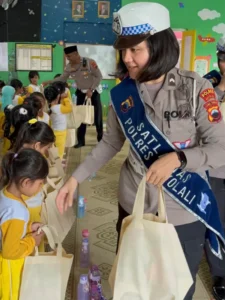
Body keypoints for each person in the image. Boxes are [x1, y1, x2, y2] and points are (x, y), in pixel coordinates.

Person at [56, 3, 225, 299]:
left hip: (182, 211)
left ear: (160, 46)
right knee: (133, 280)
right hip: (132, 201)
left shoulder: (198, 90)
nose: (127, 59)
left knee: (175, 287)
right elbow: (110, 142)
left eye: (136, 50)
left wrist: (180, 158)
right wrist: (74, 178)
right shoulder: (123, 93)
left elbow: (221, 147)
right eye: (123, 50)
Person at [0, 148, 48, 299]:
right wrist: (33, 240)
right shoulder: (17, 211)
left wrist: (28, 227)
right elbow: (10, 251)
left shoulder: (5, 193)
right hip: (10, 266)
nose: (41, 188)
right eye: (40, 183)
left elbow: (7, 227)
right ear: (26, 182)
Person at [42, 45, 103, 148]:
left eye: (69, 56)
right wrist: (48, 82)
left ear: (76, 54)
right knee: (80, 117)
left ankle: (101, 140)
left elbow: (99, 76)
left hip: (93, 92)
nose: (68, 58)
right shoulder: (69, 66)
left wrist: (91, 89)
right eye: (66, 57)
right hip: (81, 92)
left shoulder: (89, 62)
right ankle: (80, 141)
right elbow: (62, 78)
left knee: (97, 118)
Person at [203, 38, 225, 300]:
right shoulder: (207, 91)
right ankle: (220, 273)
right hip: (216, 168)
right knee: (216, 222)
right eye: (223, 59)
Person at [44, 85, 72, 159]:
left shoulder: (50, 107)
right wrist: (65, 98)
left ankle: (57, 160)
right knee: (60, 150)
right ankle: (59, 163)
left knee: (55, 149)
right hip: (61, 133)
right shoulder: (59, 108)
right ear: (57, 97)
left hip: (54, 130)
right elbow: (69, 108)